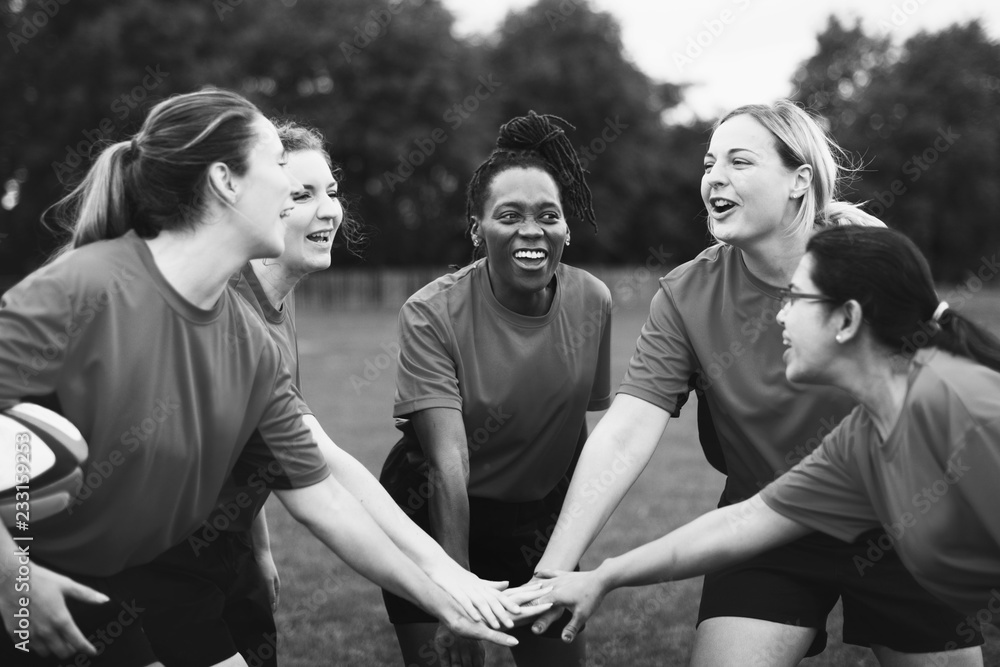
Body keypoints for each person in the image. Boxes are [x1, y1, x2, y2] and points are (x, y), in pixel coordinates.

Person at [0, 90, 531, 667]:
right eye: (280, 165)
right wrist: (14, 576)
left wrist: (448, 594)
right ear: (227, 182)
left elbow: (323, 493)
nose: (294, 194)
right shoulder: (84, 290)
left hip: (107, 591)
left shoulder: (247, 344)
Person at [529, 101, 984, 666]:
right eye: (709, 162)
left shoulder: (868, 266)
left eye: (739, 161)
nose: (714, 177)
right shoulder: (686, 295)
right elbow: (624, 432)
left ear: (799, 181)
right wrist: (555, 569)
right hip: (764, 520)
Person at [379, 111, 613, 667]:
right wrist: (457, 597)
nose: (531, 230)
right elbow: (448, 463)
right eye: (509, 216)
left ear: (567, 228)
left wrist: (563, 542)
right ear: (476, 229)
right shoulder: (431, 312)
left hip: (536, 522)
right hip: (434, 517)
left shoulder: (593, 301)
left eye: (547, 216)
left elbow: (574, 428)